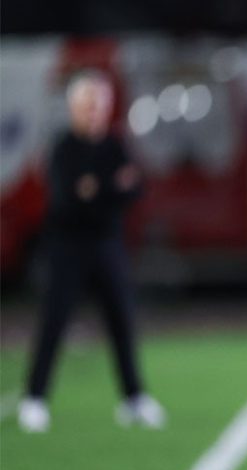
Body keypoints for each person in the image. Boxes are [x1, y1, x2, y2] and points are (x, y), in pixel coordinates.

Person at [18, 69, 165, 434]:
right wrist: (109, 189)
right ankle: (34, 399)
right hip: (67, 246)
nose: (94, 111)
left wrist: (97, 190)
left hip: (106, 244)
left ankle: (133, 398)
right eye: (87, 105)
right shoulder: (63, 147)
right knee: (54, 321)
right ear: (73, 108)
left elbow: (134, 189)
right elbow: (68, 199)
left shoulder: (115, 145)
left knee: (121, 320)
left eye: (99, 104)